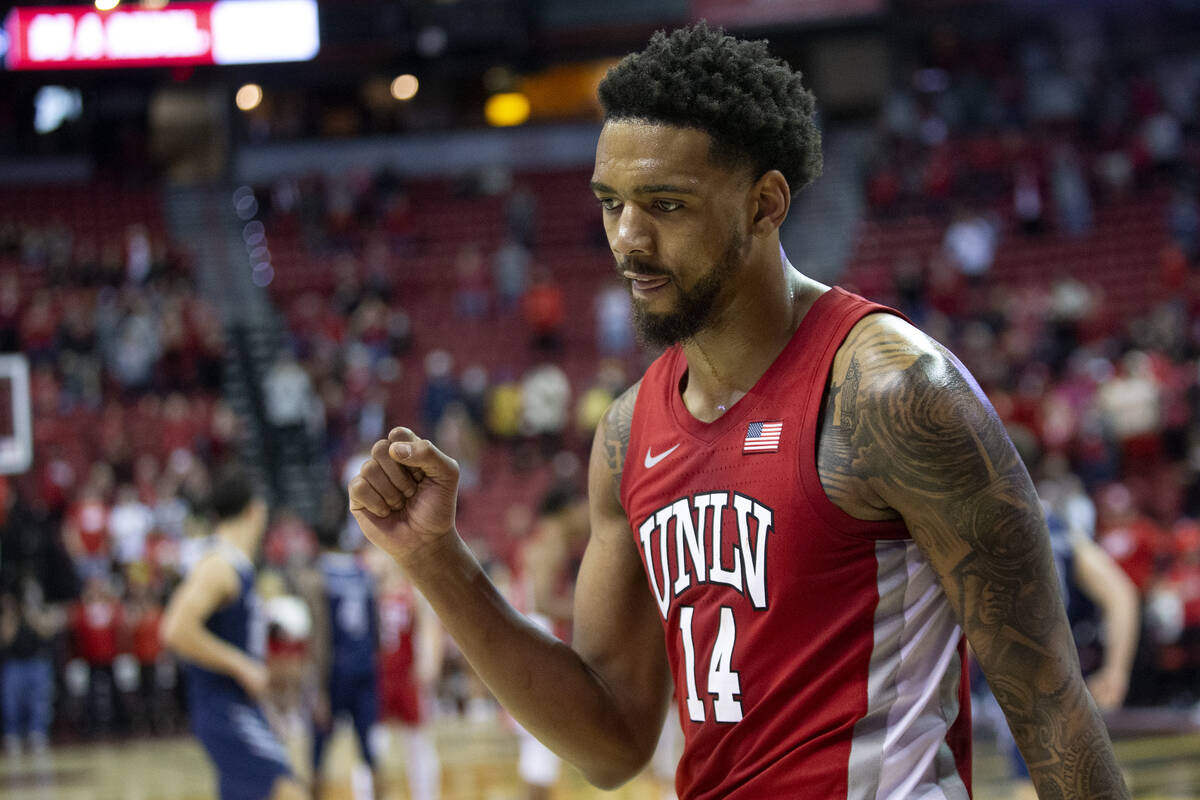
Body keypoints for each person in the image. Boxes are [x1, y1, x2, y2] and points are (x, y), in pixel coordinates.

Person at [348, 22, 1129, 800]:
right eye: (612, 204)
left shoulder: (892, 392)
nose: (628, 240)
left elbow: (1053, 709)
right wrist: (435, 558)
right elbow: (611, 742)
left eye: (666, 205)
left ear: (765, 203)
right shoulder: (627, 435)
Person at [160, 464, 305, 800]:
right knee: (289, 793)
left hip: (241, 706)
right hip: (223, 709)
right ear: (255, 510)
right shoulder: (219, 566)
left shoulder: (237, 564)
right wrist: (241, 665)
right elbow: (175, 630)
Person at [298, 485, 383, 800]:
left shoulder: (317, 576)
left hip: (334, 674)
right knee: (370, 754)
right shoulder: (363, 572)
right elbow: (377, 631)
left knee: (317, 757)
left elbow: (320, 637)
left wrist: (317, 689)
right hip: (365, 670)